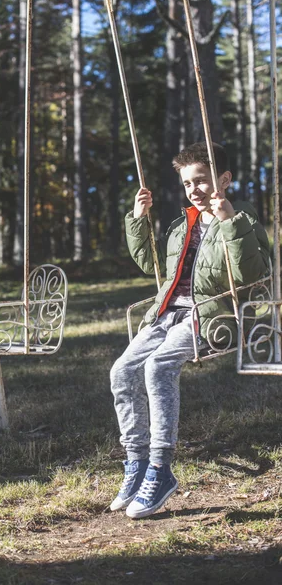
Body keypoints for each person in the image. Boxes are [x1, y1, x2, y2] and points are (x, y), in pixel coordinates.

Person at [110, 141, 270, 519]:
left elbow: (253, 276)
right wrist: (138, 219)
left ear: (224, 179)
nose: (194, 189)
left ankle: (161, 469)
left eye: (201, 180)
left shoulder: (242, 219)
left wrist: (230, 224)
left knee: (158, 367)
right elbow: (155, 267)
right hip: (167, 313)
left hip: (213, 316)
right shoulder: (183, 225)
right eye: (187, 184)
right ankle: (136, 463)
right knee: (122, 371)